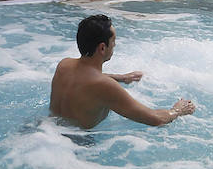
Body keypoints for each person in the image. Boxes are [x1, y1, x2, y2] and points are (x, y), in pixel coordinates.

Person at [49, 14, 196, 129]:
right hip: (78, 143)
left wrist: (121, 77)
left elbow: (85, 80)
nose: (115, 45)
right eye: (113, 41)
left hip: (49, 129)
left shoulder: (64, 65)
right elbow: (155, 119)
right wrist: (177, 111)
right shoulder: (105, 86)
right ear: (102, 48)